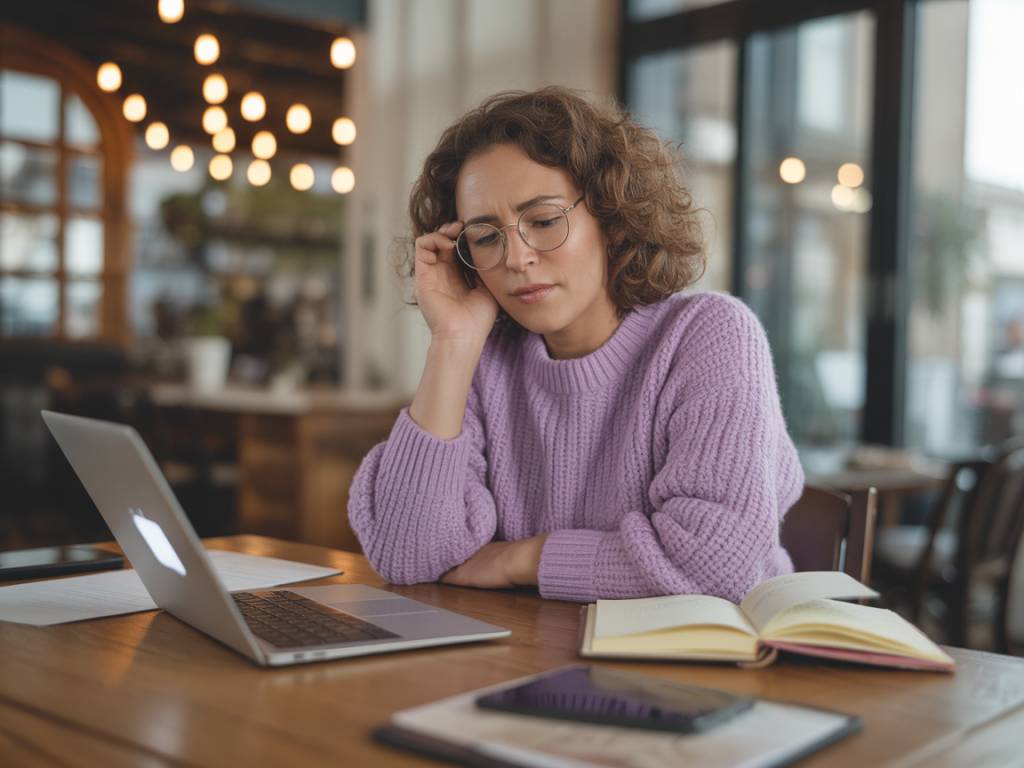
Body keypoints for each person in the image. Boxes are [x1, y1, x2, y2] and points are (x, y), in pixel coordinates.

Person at [348, 87, 804, 603]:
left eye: (543, 222)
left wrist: (522, 558)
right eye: (486, 235)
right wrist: (452, 343)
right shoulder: (481, 361)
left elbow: (715, 568)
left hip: (697, 675)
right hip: (524, 667)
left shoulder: (709, 335)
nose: (516, 258)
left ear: (611, 216)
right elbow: (407, 555)